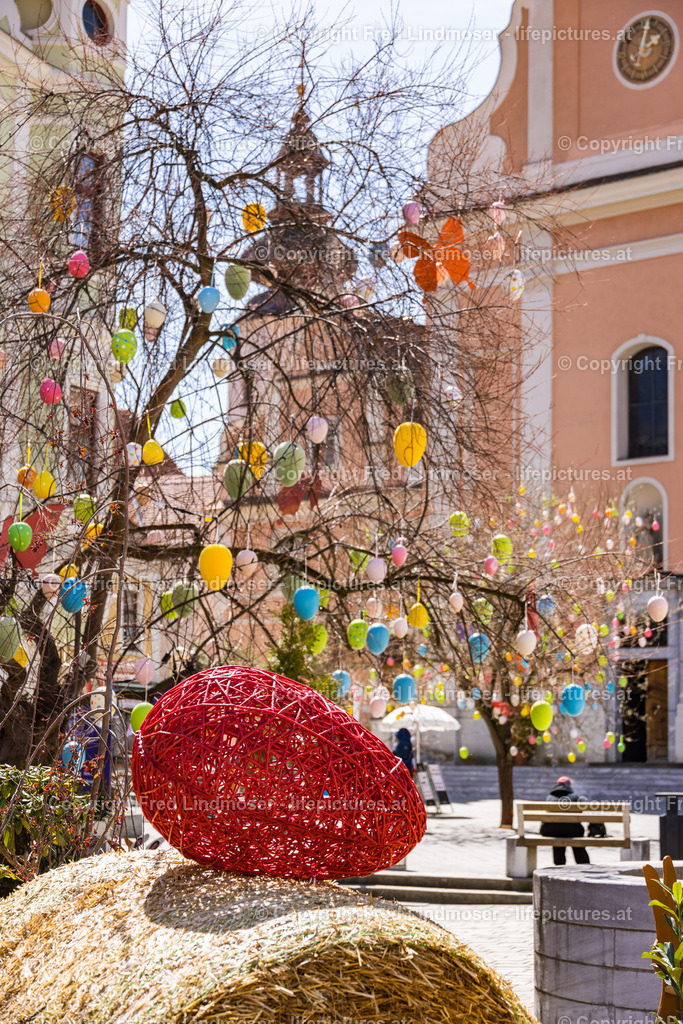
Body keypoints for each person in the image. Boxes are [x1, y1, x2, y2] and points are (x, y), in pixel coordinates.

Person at [540, 775, 590, 865]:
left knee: (557, 829)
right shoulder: (575, 797)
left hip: (551, 831)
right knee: (572, 831)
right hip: (573, 831)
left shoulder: (550, 797)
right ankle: (583, 863)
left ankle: (559, 865)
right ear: (569, 785)